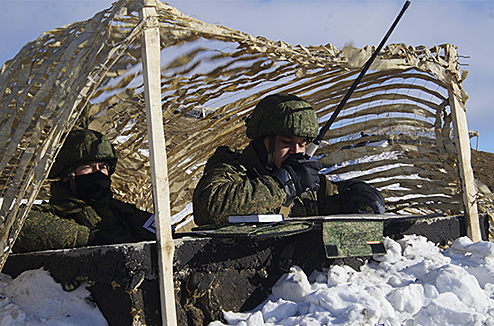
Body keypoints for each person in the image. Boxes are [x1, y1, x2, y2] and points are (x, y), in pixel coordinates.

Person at [192, 93, 385, 226]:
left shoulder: (300, 179)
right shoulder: (232, 168)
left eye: (302, 144)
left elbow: (330, 195)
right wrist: (283, 185)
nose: (296, 151)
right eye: (286, 142)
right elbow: (208, 208)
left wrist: (358, 194)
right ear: (262, 141)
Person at [13, 129, 155, 253]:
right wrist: (86, 238)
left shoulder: (123, 213)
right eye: (88, 167)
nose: (97, 172)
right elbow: (15, 224)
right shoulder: (57, 212)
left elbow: (163, 234)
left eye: (102, 167)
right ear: (66, 177)